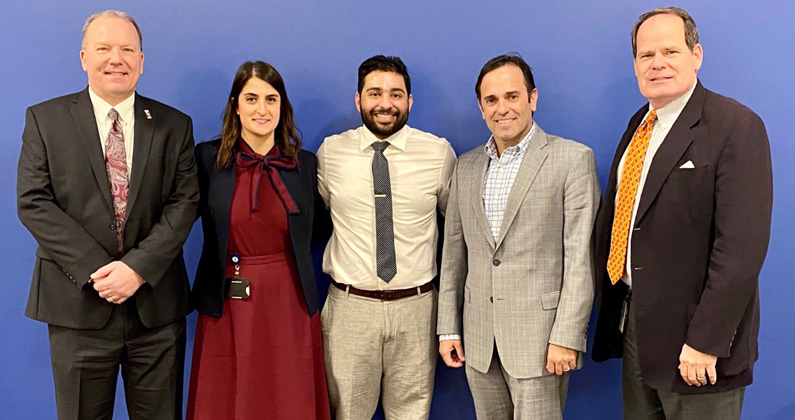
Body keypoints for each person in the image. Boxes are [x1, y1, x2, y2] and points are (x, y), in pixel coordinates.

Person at [591, 7, 773, 419]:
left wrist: (706, 341)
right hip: (636, 328)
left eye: (670, 51)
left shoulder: (735, 126)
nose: (657, 63)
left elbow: (741, 251)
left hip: (700, 346)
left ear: (697, 55)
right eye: (645, 54)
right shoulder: (640, 125)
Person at [16, 10, 198, 419]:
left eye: (127, 49)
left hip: (155, 311)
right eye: (104, 48)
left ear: (141, 60)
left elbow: (184, 204)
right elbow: (33, 201)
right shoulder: (44, 120)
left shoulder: (174, 125)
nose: (117, 58)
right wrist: (101, 269)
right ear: (84, 57)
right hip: (77, 306)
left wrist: (135, 269)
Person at [436, 53, 599, 419]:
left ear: (533, 98)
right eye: (491, 100)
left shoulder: (572, 159)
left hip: (541, 342)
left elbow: (580, 260)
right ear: (480, 108)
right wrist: (448, 328)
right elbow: (453, 257)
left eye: (512, 96)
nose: (502, 109)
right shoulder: (466, 165)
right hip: (478, 342)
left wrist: (567, 336)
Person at [187, 61, 331, 419]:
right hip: (228, 302)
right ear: (236, 104)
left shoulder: (305, 164)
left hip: (290, 300)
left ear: (282, 107)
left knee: (287, 396)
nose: (262, 109)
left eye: (271, 99)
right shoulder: (207, 160)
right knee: (228, 398)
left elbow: (323, 229)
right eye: (251, 98)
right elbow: (177, 219)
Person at [317, 55, 456, 419]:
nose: (385, 104)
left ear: (410, 101)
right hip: (350, 309)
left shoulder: (438, 153)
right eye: (374, 92)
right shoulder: (331, 153)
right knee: (347, 413)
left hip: (418, 308)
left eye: (396, 94)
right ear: (358, 99)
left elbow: (457, 231)